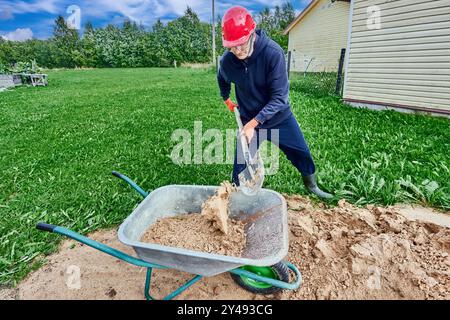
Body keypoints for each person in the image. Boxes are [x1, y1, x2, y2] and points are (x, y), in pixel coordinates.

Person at [217, 6, 332, 199]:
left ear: (252, 33)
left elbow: (280, 98)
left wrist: (254, 123)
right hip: (249, 118)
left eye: (241, 44)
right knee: (241, 162)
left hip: (279, 118)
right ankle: (237, 196)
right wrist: (226, 97)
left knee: (301, 152)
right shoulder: (228, 61)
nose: (237, 50)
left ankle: (312, 185)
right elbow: (222, 77)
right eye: (232, 46)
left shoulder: (272, 53)